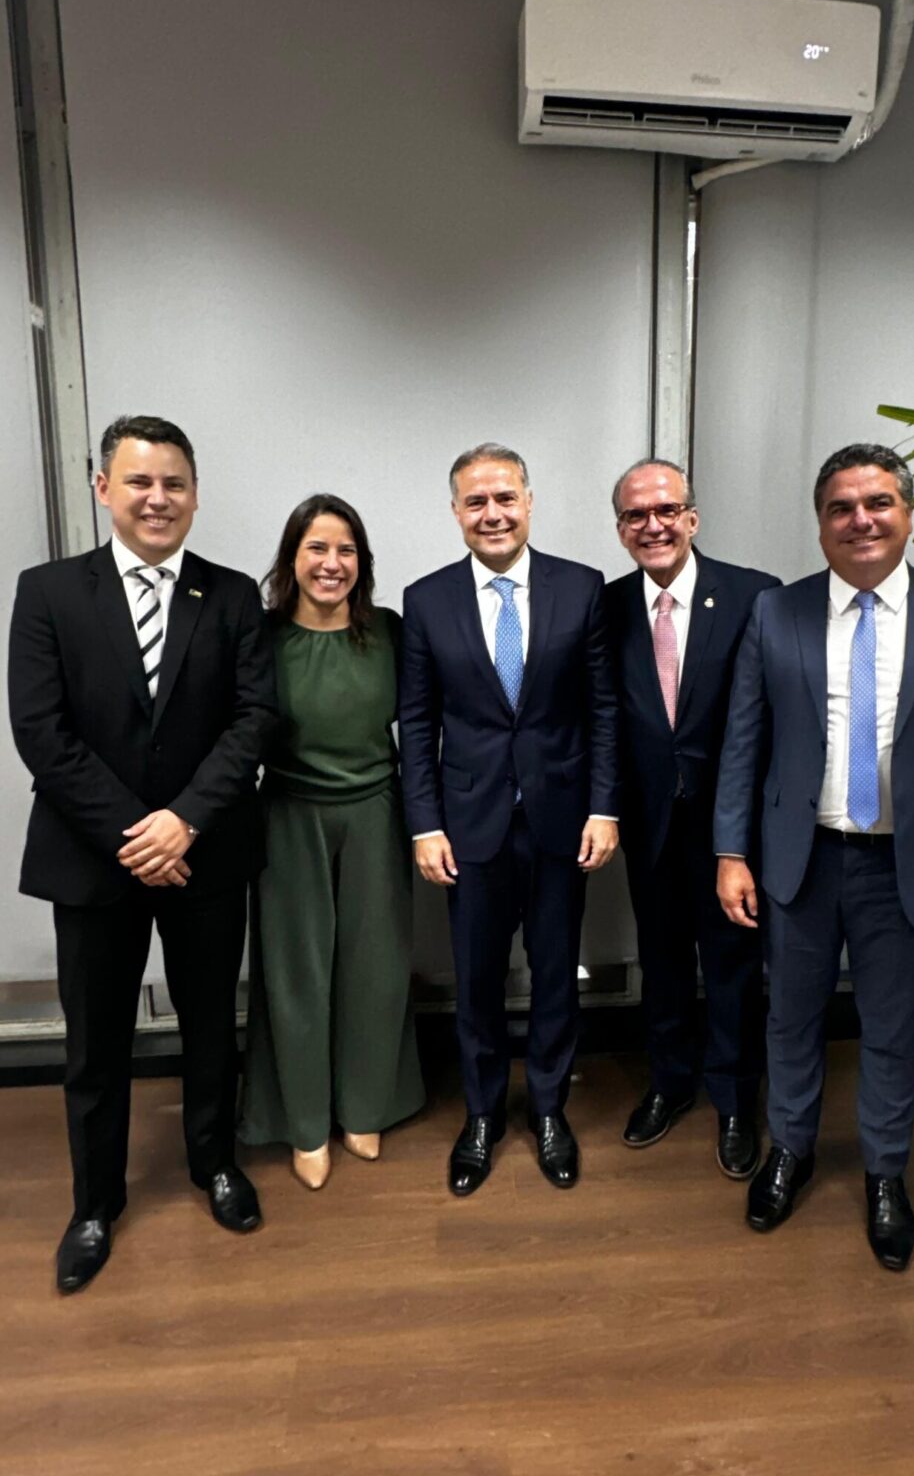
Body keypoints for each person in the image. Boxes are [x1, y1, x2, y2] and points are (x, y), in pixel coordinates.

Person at [715, 442, 914, 1270]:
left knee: (891, 1029)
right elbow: (743, 744)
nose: (861, 519)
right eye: (841, 507)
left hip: (908, 867)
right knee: (790, 1019)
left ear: (907, 514)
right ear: (821, 523)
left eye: (878, 502)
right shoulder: (776, 612)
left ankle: (886, 1173)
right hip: (801, 860)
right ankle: (790, 1150)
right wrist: (730, 851)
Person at [8, 414, 277, 1293]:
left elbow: (254, 720)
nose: (157, 498)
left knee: (211, 1026)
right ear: (103, 488)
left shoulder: (231, 596)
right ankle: (94, 1204)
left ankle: (215, 1164)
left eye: (174, 483)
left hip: (206, 854)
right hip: (94, 859)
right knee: (94, 1044)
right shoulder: (48, 591)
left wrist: (185, 820)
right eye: (139, 481)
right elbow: (41, 732)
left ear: (194, 494)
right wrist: (140, 832)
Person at [399, 443, 618, 1196]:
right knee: (478, 980)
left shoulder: (581, 588)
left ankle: (550, 1108)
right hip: (469, 827)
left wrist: (604, 806)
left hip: (562, 820)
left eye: (505, 498)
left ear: (529, 501)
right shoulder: (426, 599)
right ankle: (484, 1114)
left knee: (556, 973)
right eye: (476, 501)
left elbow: (602, 709)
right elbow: (417, 720)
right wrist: (425, 823)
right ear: (456, 511)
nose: (492, 513)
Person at [239, 493, 424, 1187]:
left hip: (376, 813)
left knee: (375, 968)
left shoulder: (390, 632)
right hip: (289, 817)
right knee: (297, 974)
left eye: (346, 550)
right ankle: (305, 1122)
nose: (331, 562)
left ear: (361, 562)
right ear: (292, 557)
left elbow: (422, 727)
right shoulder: (260, 637)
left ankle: (365, 1106)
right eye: (316, 547)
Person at [606, 459, 779, 1175]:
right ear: (621, 530)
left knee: (733, 964)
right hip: (647, 820)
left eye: (667, 510)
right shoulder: (606, 606)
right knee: (663, 958)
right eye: (636, 515)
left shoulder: (753, 595)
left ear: (692, 518)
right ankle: (671, 1082)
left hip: (731, 825)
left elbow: (771, 716)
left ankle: (735, 1099)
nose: (654, 525)